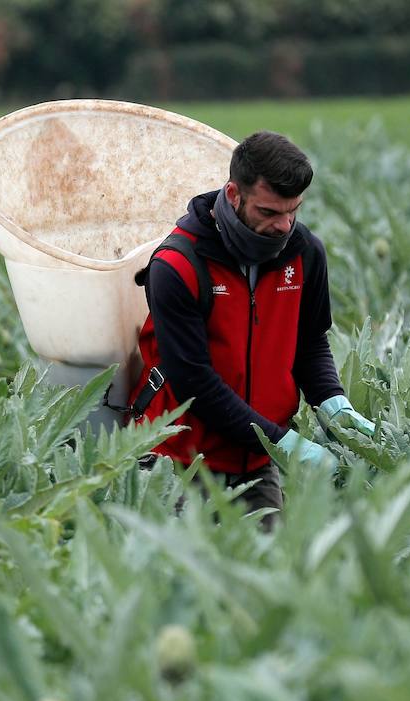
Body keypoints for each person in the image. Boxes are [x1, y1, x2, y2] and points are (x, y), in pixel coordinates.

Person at [130, 130, 374, 523]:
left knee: (273, 576)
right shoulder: (177, 266)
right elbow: (195, 384)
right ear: (232, 195)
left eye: (292, 210)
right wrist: (284, 443)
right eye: (269, 212)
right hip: (175, 461)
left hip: (255, 461)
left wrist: (331, 400)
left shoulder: (305, 254)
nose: (284, 225)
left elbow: (309, 343)